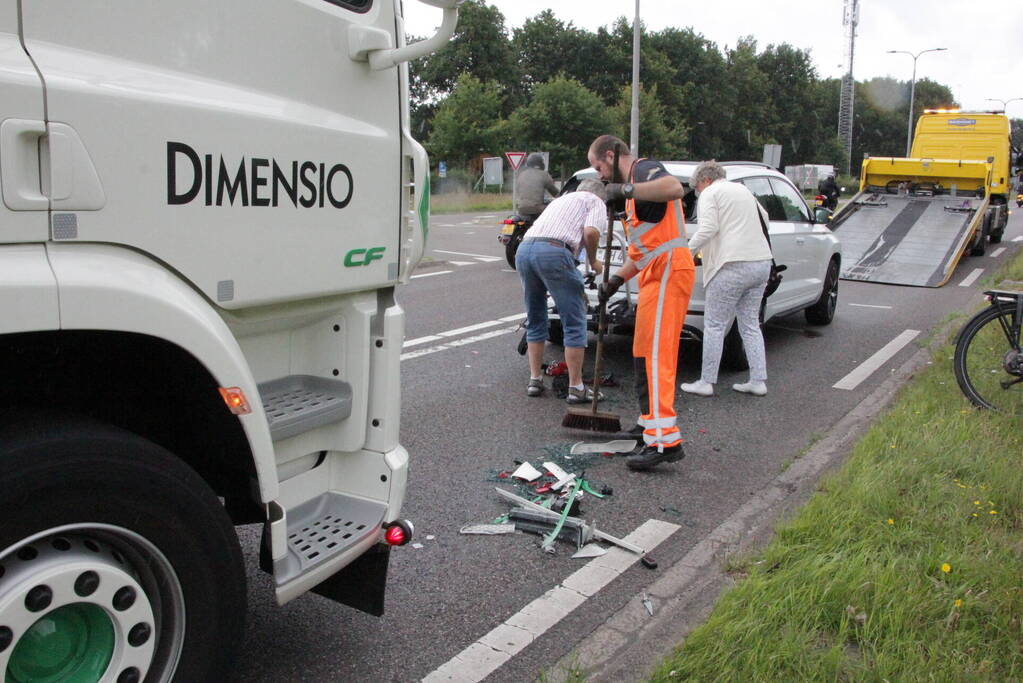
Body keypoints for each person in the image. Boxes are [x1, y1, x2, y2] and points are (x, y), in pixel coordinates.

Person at [588, 134, 695, 471]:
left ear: (610, 154)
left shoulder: (644, 170)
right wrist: (617, 279)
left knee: (657, 358)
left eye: (599, 167)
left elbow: (675, 189)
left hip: (668, 272)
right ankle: (650, 426)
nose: (601, 176)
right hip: (653, 273)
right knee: (642, 353)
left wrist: (626, 191)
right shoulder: (632, 189)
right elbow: (644, 250)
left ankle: (666, 443)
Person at [679, 160, 773, 398]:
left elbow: (708, 228)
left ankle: (706, 382)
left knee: (714, 325)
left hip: (730, 265)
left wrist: (686, 252)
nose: (698, 192)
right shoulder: (743, 190)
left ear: (705, 181)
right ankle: (758, 380)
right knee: (750, 324)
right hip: (761, 263)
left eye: (697, 187)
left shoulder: (710, 193)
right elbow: (766, 219)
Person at [516, 178, 606, 404]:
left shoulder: (561, 200)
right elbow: (591, 233)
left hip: (525, 249)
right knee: (574, 320)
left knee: (536, 316)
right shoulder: (595, 200)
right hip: (554, 252)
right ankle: (576, 387)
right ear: (600, 195)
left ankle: (535, 379)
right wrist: (594, 261)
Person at [514, 153, 558, 223]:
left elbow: (518, 190)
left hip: (521, 209)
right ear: (541, 163)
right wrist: (561, 197)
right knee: (552, 218)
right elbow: (554, 191)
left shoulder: (521, 174)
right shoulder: (544, 174)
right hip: (537, 209)